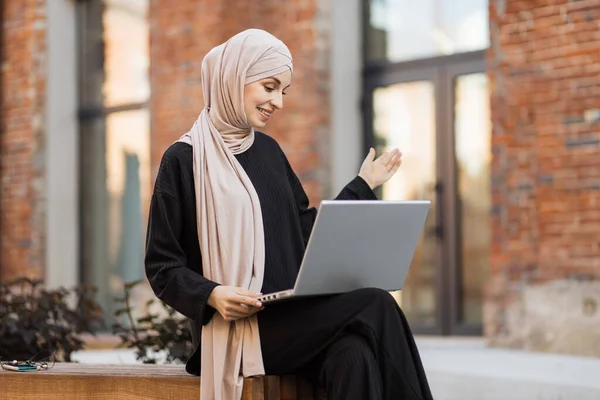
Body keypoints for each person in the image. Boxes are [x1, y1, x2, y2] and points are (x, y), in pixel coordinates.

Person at [145, 29, 433, 400]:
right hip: (240, 331)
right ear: (234, 77)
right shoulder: (183, 160)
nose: (278, 102)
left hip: (293, 316)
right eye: (269, 87)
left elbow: (305, 232)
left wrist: (362, 185)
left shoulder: (268, 151)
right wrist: (213, 294)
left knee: (354, 355)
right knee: (376, 302)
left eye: (283, 91)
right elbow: (162, 266)